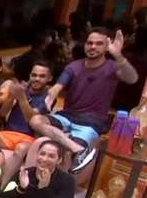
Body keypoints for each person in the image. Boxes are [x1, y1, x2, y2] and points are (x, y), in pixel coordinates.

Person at [29, 28, 139, 173]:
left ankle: (73, 156)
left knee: (66, 155)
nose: (93, 47)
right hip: (67, 116)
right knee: (36, 121)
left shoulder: (112, 67)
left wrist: (118, 55)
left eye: (99, 44)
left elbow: (132, 78)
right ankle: (80, 150)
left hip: (91, 122)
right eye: (89, 43)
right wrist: (52, 94)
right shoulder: (74, 66)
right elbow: (58, 85)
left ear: (106, 47)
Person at [0, 61, 54, 183]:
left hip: (29, 138)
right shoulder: (21, 89)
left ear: (49, 78)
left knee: (20, 149)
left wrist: (21, 97)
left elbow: (31, 118)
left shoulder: (49, 96)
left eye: (42, 76)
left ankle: (2, 188)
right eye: (34, 75)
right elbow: (2, 113)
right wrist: (11, 96)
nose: (36, 79)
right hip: (8, 133)